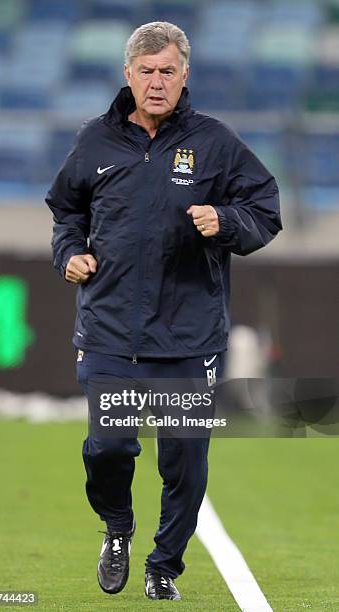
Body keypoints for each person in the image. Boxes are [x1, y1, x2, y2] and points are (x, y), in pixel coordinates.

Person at [45, 21, 282, 601]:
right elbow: (66, 212)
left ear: (185, 76)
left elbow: (265, 211)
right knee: (107, 448)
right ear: (128, 75)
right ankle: (118, 530)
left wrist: (224, 222)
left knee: (184, 464)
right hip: (107, 330)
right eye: (146, 71)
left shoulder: (216, 142)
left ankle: (164, 565)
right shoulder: (93, 141)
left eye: (167, 72)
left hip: (187, 335)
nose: (156, 82)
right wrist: (69, 253)